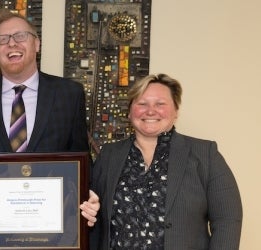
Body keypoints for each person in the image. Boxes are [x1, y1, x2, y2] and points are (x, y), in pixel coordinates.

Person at [0, 8, 93, 218]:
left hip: (53, 222)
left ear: (37, 44)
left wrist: (85, 197)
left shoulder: (69, 94)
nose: (12, 43)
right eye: (2, 39)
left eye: (20, 36)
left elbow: (81, 159)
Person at [86, 73, 242, 249]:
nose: (150, 111)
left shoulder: (205, 154)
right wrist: (89, 210)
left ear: (176, 111)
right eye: (142, 104)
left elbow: (228, 219)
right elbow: (89, 211)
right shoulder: (109, 155)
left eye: (160, 104)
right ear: (130, 112)